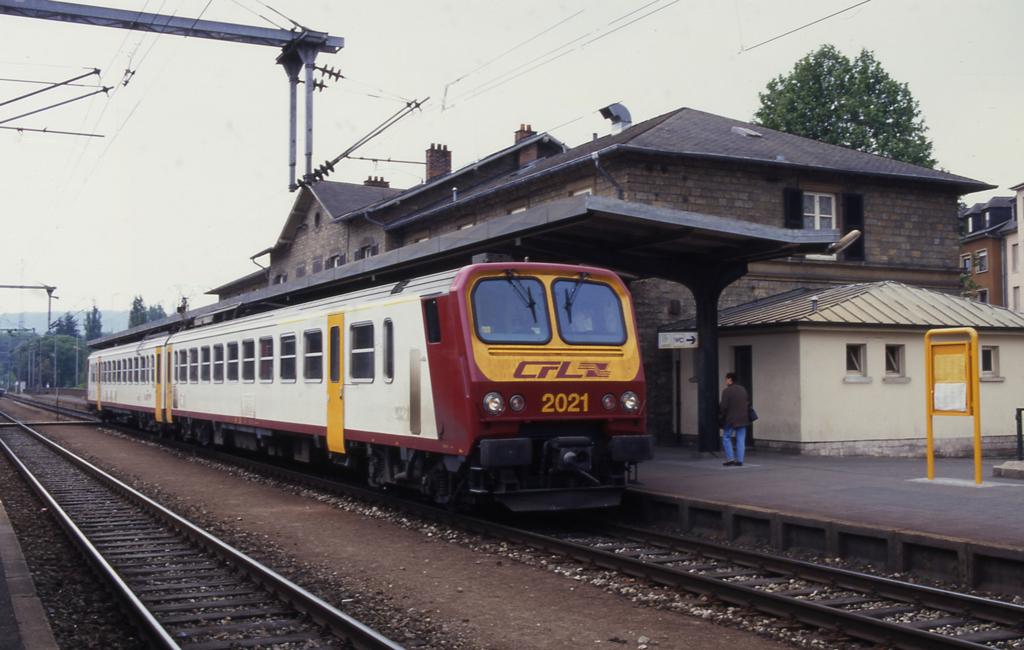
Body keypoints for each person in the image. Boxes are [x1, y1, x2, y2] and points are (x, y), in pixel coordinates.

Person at [718, 372, 750, 467]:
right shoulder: (743, 389)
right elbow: (747, 402)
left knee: (726, 437)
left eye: (726, 379)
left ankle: (730, 459)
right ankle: (740, 460)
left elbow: (723, 407)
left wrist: (721, 417)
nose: (725, 381)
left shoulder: (726, 391)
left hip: (730, 419)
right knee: (741, 439)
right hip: (743, 419)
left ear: (730, 379)